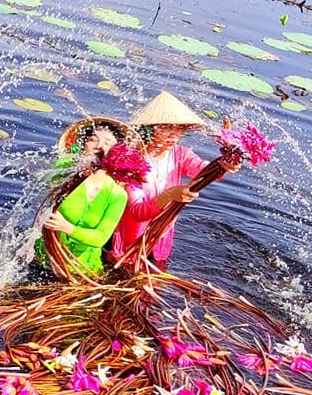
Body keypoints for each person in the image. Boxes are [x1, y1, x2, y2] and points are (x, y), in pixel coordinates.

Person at [110, 91, 238, 270]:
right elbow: (137, 213)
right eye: (166, 128)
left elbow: (203, 171)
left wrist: (225, 162)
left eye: (178, 130)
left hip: (160, 240)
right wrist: (171, 194)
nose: (173, 136)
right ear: (148, 128)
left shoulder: (179, 154)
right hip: (129, 242)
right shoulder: (130, 159)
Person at [37, 120, 146, 277]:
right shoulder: (65, 174)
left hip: (83, 272)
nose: (99, 146)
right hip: (44, 260)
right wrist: (80, 171)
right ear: (83, 146)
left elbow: (100, 238)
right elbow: (52, 183)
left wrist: (65, 227)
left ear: (118, 152)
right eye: (93, 140)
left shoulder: (117, 194)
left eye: (108, 142)